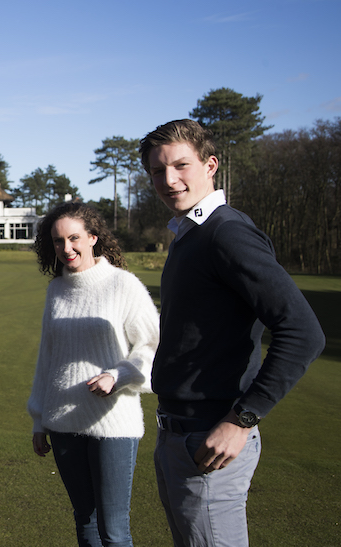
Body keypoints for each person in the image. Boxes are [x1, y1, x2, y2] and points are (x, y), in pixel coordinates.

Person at [139, 119, 325, 546]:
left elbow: (303, 331)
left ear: (211, 165)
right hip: (179, 434)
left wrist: (242, 419)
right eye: (157, 170)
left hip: (211, 437)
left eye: (181, 165)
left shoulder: (226, 232)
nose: (169, 180)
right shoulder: (190, 234)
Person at [27, 202, 159, 546]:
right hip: (62, 423)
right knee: (84, 522)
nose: (66, 248)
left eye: (74, 238)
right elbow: (48, 359)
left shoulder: (122, 285)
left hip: (113, 422)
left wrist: (118, 374)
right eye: (58, 241)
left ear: (93, 238)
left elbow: (152, 346)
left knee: (114, 531)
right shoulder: (56, 290)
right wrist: (39, 420)